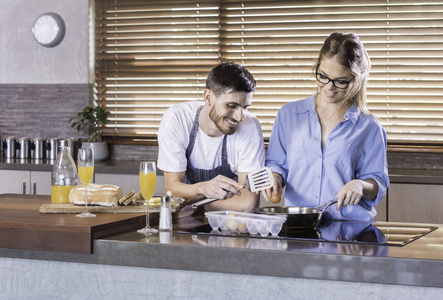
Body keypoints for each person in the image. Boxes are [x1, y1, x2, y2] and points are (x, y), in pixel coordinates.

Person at [263, 32, 389, 221]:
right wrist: (274, 178)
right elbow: (276, 164)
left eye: (340, 81)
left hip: (348, 228)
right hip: (299, 226)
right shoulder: (288, 115)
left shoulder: (369, 127)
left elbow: (378, 182)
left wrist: (360, 186)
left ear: (357, 79)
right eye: (323, 76)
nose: (329, 88)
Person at [157, 62, 265, 212]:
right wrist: (204, 188)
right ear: (208, 97)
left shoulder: (249, 126)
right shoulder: (177, 119)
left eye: (245, 107)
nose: (240, 117)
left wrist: (194, 203)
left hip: (229, 224)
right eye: (231, 106)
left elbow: (248, 202)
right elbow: (172, 190)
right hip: (185, 221)